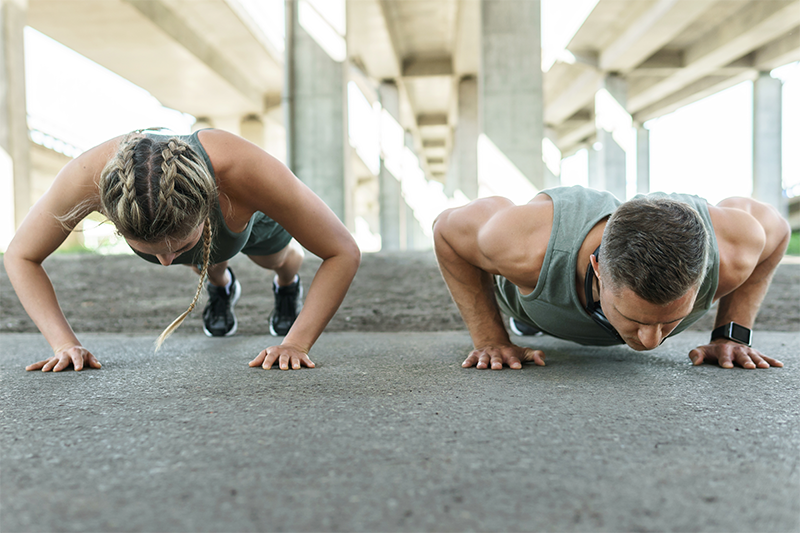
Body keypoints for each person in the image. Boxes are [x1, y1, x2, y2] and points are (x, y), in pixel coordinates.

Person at [4, 128, 361, 372]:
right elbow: (21, 255)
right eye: (150, 252)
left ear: (209, 206)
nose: (165, 264)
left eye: (179, 247)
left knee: (272, 259)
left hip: (248, 215)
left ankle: (287, 282)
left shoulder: (243, 170)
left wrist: (296, 344)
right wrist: (63, 343)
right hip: (198, 231)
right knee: (202, 259)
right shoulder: (88, 175)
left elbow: (342, 251)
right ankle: (220, 285)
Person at [432, 185, 790, 370]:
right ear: (599, 270)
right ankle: (531, 322)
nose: (651, 343)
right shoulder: (524, 246)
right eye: (636, 319)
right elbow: (447, 230)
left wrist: (732, 334)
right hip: (535, 303)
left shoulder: (734, 248)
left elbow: (779, 230)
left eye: (671, 322)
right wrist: (490, 339)